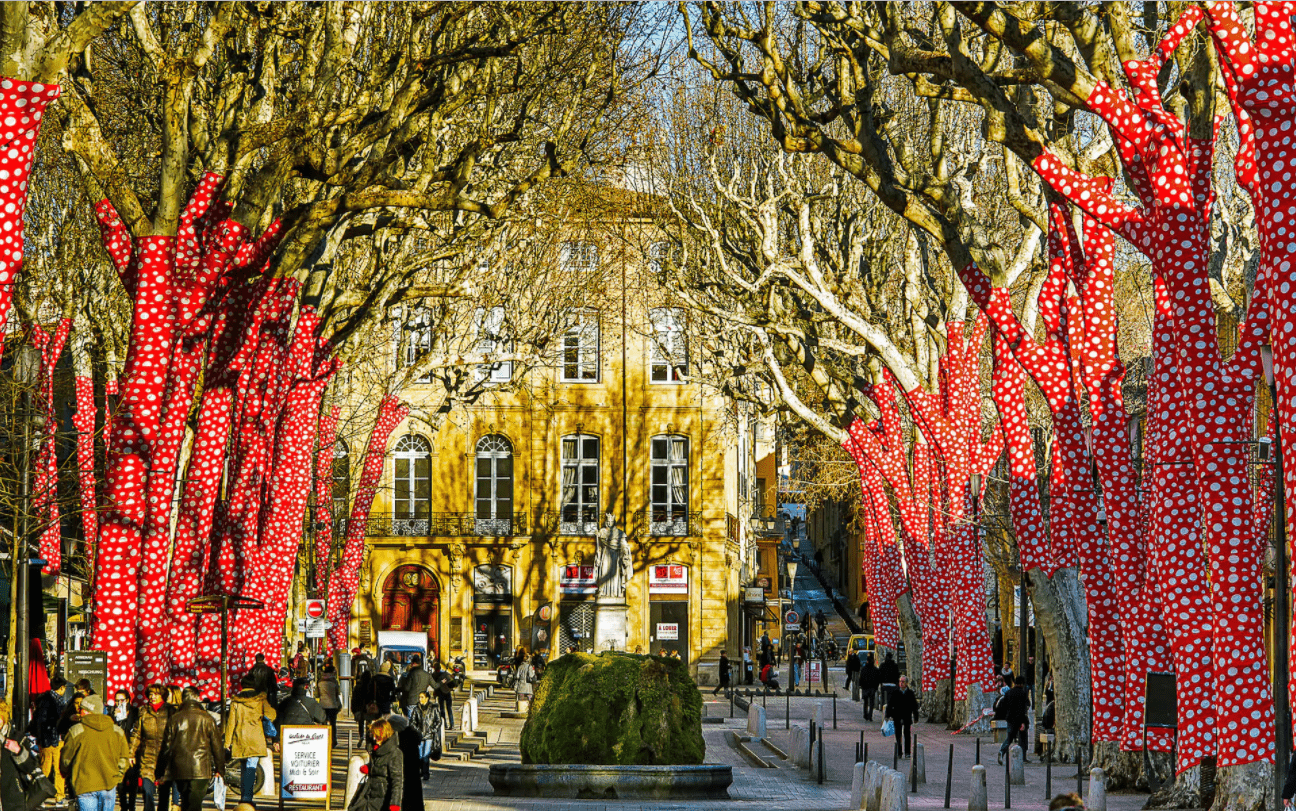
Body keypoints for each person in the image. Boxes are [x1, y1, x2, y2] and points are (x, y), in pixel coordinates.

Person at [60, 694, 130, 811]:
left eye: (82, 709)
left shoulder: (76, 731)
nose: (78, 711)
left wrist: (67, 773)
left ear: (87, 711)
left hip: (85, 784)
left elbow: (66, 760)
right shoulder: (117, 731)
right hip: (109, 784)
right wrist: (117, 777)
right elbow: (123, 758)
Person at [157, 687, 223, 811]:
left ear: (183, 700)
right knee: (194, 804)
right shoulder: (207, 719)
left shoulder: (174, 719)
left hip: (179, 767)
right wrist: (220, 769)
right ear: (197, 698)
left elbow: (165, 747)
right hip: (201, 768)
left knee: (186, 801)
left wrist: (160, 771)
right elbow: (217, 747)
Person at [225, 675, 275, 804]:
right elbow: (272, 715)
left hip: (240, 738)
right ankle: (247, 798)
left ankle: (244, 797)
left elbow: (231, 723)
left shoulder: (236, 702)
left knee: (243, 769)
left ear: (242, 685)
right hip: (255, 738)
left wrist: (227, 743)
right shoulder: (260, 700)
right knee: (251, 767)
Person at [132, 685, 171, 811]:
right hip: (147, 756)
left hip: (165, 757)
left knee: (164, 793)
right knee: (147, 790)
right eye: (150, 694)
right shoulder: (143, 711)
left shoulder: (170, 711)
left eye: (156, 694)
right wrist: (130, 753)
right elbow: (136, 734)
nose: (152, 697)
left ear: (162, 696)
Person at [348, 719, 402, 811]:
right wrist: (369, 767)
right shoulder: (376, 749)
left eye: (376, 736)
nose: (374, 738)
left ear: (383, 735)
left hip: (383, 797)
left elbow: (397, 780)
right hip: (369, 793)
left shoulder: (394, 753)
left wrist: (395, 803)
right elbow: (380, 765)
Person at [29, 676, 66, 806]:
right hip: (52, 739)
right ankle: (58, 796)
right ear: (62, 688)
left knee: (47, 769)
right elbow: (43, 721)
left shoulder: (44, 700)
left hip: (49, 739)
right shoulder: (54, 700)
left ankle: (43, 797)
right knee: (55, 770)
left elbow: (40, 721)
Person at [108, 691, 138, 811]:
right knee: (120, 782)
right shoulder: (111, 713)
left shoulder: (135, 712)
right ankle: (124, 806)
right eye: (116, 700)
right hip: (117, 752)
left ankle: (132, 805)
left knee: (132, 780)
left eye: (122, 700)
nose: (119, 703)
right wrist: (116, 719)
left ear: (128, 700)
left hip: (132, 751)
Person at [997, 675, 1031, 765]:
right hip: (1020, 719)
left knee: (1009, 737)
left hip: (1010, 719)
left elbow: (1001, 705)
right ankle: (1023, 756)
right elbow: (1024, 708)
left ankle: (1002, 751)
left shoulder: (1009, 693)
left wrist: (1006, 715)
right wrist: (1023, 722)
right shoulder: (1022, 694)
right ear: (1022, 684)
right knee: (1023, 738)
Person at [407, 692, 442, 781]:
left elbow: (438, 721)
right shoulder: (416, 709)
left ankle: (425, 773)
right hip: (420, 735)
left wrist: (433, 729)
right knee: (420, 754)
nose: (420, 699)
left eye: (422, 697)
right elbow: (412, 722)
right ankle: (420, 772)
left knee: (426, 754)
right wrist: (417, 730)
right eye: (419, 697)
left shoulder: (433, 708)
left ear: (427, 698)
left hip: (429, 735)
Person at [884, 675, 918, 759]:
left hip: (907, 716)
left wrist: (916, 716)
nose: (901, 683)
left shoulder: (910, 693)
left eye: (903, 681)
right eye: (900, 681)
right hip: (897, 716)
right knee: (898, 734)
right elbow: (890, 704)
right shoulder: (895, 692)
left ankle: (907, 752)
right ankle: (899, 752)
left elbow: (914, 705)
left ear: (906, 683)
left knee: (907, 734)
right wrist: (887, 715)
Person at [317, 664, 342, 744]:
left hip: (322, 705)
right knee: (333, 724)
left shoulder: (320, 681)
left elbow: (317, 694)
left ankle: (323, 740)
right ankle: (333, 740)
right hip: (332, 705)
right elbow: (337, 692)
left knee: (323, 723)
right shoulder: (334, 681)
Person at [430, 661, 455, 731]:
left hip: (440, 693)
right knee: (449, 709)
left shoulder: (433, 675)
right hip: (447, 692)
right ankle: (452, 724)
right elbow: (452, 681)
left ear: (434, 668)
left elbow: (434, 685)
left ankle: (444, 724)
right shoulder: (445, 673)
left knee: (442, 709)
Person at [351, 670, 376, 737]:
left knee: (361, 722)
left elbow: (354, 698)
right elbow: (374, 697)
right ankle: (368, 736)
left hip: (360, 707)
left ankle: (361, 736)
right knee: (369, 722)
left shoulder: (358, 686)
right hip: (368, 707)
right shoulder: (371, 686)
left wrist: (353, 709)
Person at [860, 653, 881, 721]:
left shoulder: (864, 669)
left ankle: (865, 714)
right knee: (871, 702)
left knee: (865, 702)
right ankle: (870, 715)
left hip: (865, 687)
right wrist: (876, 687)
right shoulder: (875, 670)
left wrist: (862, 686)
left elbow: (861, 678)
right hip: (872, 688)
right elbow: (878, 679)